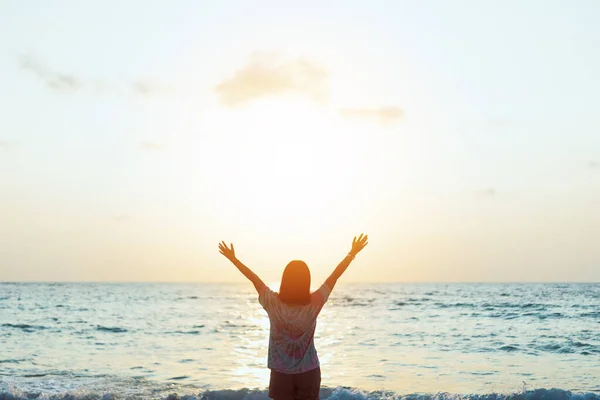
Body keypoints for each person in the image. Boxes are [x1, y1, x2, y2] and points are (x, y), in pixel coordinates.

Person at [218, 234, 369, 400]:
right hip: (309, 371)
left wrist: (234, 259)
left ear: (285, 280)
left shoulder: (272, 302)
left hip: (280, 372)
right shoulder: (314, 302)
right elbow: (334, 276)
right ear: (306, 281)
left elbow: (254, 278)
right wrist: (351, 254)